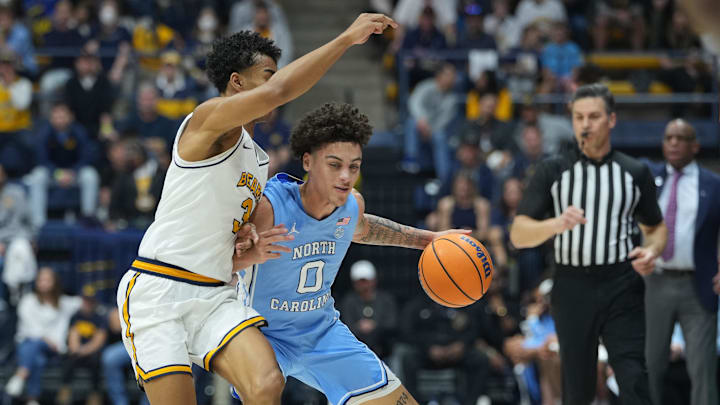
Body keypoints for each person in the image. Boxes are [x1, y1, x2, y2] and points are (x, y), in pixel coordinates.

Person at [115, 15, 396, 405]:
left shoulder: (258, 159)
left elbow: (231, 229)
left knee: (266, 383)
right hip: (160, 287)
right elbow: (280, 91)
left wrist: (248, 240)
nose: (275, 84)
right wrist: (346, 39)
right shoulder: (208, 119)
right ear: (237, 82)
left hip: (216, 294)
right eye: (266, 75)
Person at [231, 102, 469, 404]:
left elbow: (365, 229)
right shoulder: (269, 208)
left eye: (353, 166)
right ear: (308, 161)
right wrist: (247, 257)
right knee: (266, 386)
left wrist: (430, 240)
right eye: (335, 165)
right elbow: (214, 263)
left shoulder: (351, 206)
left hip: (322, 333)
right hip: (262, 334)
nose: (346, 176)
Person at [509, 83, 667, 405]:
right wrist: (556, 224)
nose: (585, 124)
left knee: (634, 378)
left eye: (593, 116)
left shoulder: (634, 172)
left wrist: (651, 250)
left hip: (622, 283)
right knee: (577, 387)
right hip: (572, 285)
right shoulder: (552, 170)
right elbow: (518, 234)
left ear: (612, 120)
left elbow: (656, 227)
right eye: (578, 117)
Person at [643, 119, 720, 405]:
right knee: (649, 366)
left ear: (695, 146)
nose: (674, 143)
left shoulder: (713, 184)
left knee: (702, 368)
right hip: (654, 283)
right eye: (669, 138)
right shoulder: (648, 179)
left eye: (681, 138)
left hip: (697, 285)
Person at [4, 267, 82, 404]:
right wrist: (45, 339)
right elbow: (30, 327)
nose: (44, 283)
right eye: (41, 280)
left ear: (55, 282)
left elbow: (83, 302)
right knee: (38, 359)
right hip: (28, 344)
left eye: (47, 280)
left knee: (33, 347)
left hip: (53, 349)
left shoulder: (64, 303)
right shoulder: (28, 301)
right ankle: (32, 400)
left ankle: (21, 375)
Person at [340, 260, 398, 360]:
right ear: (354, 283)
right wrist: (358, 327)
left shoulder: (386, 300)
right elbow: (344, 325)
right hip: (355, 349)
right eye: (360, 282)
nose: (364, 285)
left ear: (374, 280)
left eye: (366, 281)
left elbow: (392, 323)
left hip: (383, 348)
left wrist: (375, 325)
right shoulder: (348, 301)